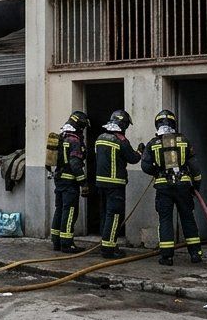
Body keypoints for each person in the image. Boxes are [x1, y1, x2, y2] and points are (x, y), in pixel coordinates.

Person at [141, 110, 203, 266]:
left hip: (163, 188)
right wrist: (196, 186)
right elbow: (195, 168)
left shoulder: (153, 144)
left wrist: (157, 171)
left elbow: (145, 166)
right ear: (174, 123)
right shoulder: (184, 141)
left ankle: (167, 256)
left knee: (165, 220)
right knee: (188, 218)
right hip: (183, 186)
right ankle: (195, 253)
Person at [95, 109, 141, 259]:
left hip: (101, 184)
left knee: (105, 215)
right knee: (114, 216)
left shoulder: (100, 138)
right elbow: (133, 158)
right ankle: (109, 249)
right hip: (115, 185)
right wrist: (140, 151)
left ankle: (105, 243)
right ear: (123, 125)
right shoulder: (121, 140)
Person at [50, 111, 90, 253]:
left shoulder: (62, 137)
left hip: (59, 180)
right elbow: (75, 164)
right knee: (70, 211)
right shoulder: (74, 141)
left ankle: (56, 242)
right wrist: (83, 183)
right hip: (69, 183)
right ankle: (67, 244)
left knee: (59, 210)